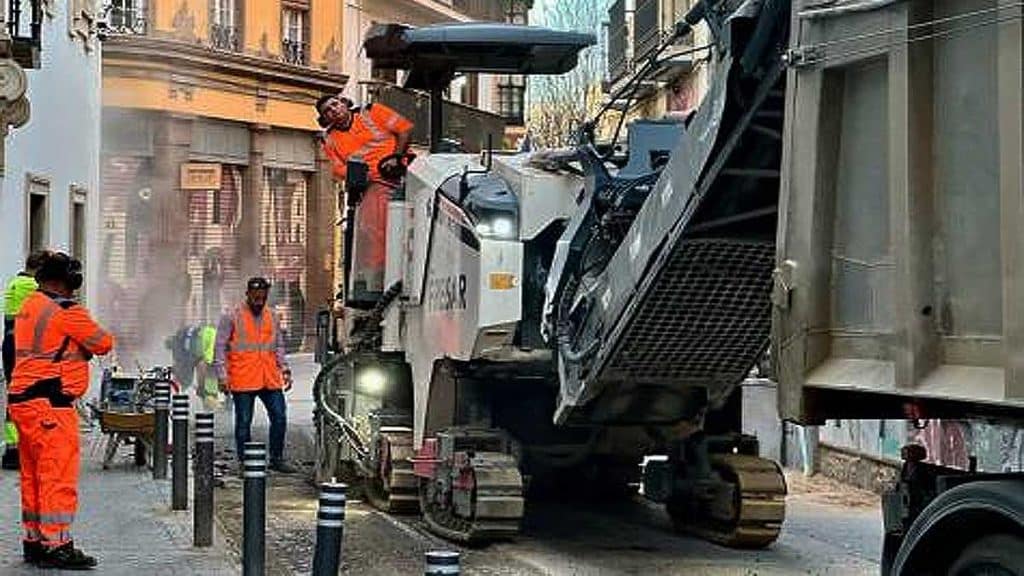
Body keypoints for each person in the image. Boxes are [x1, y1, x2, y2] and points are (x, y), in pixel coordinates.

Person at [7, 251, 114, 568]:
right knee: (57, 474)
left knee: (33, 475)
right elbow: (104, 343)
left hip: (23, 401)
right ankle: (57, 544)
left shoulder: (30, 305)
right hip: (51, 405)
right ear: (67, 281)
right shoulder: (67, 311)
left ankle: (35, 540)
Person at [315, 92, 413, 296]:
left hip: (402, 171)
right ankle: (378, 275)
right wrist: (359, 176)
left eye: (334, 104)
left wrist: (397, 157)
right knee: (373, 227)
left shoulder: (373, 113)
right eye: (328, 111)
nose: (334, 110)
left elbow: (404, 128)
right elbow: (337, 169)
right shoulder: (330, 140)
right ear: (325, 119)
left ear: (343, 103)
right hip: (373, 184)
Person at [213, 277, 295, 474]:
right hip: (243, 378)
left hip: (269, 377)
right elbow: (220, 347)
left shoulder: (272, 316)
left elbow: (278, 345)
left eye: (263, 298)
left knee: (280, 417)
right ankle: (244, 462)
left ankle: (276, 458)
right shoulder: (232, 316)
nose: (259, 301)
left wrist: (284, 368)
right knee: (243, 422)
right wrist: (222, 375)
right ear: (248, 294)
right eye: (256, 298)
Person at [3, 251, 50, 471]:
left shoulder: (14, 283)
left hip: (10, 345)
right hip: (27, 348)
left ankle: (13, 449)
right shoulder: (32, 287)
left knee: (15, 395)